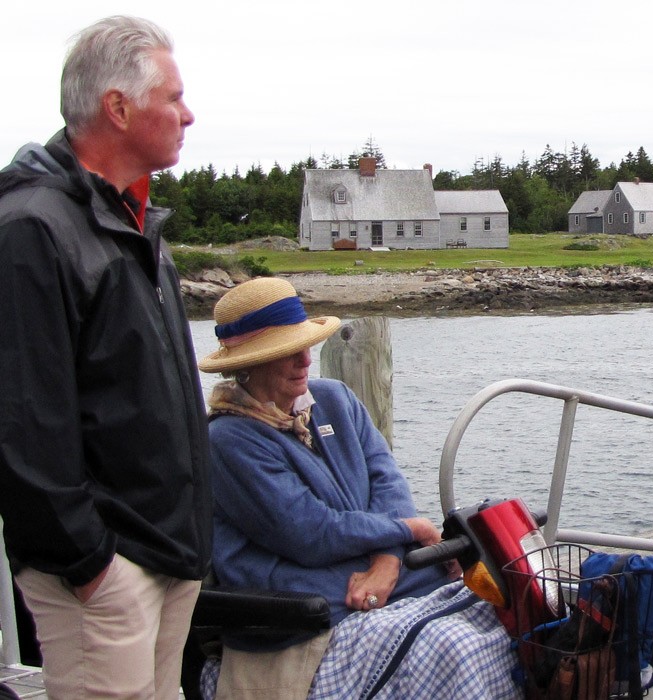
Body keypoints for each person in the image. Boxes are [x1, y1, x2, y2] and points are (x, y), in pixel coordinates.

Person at [0, 15, 211, 700]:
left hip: (165, 554)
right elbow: (23, 421)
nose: (189, 114)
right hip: (105, 571)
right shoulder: (34, 229)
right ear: (117, 107)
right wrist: (90, 561)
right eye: (173, 98)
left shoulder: (132, 222)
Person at [197, 277, 518, 699]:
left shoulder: (336, 399)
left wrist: (387, 559)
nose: (305, 359)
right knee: (453, 647)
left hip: (380, 585)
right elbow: (309, 532)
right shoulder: (229, 440)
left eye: (305, 344)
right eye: (286, 351)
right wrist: (408, 533)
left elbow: (388, 483)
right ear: (248, 364)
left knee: (512, 616)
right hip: (299, 610)